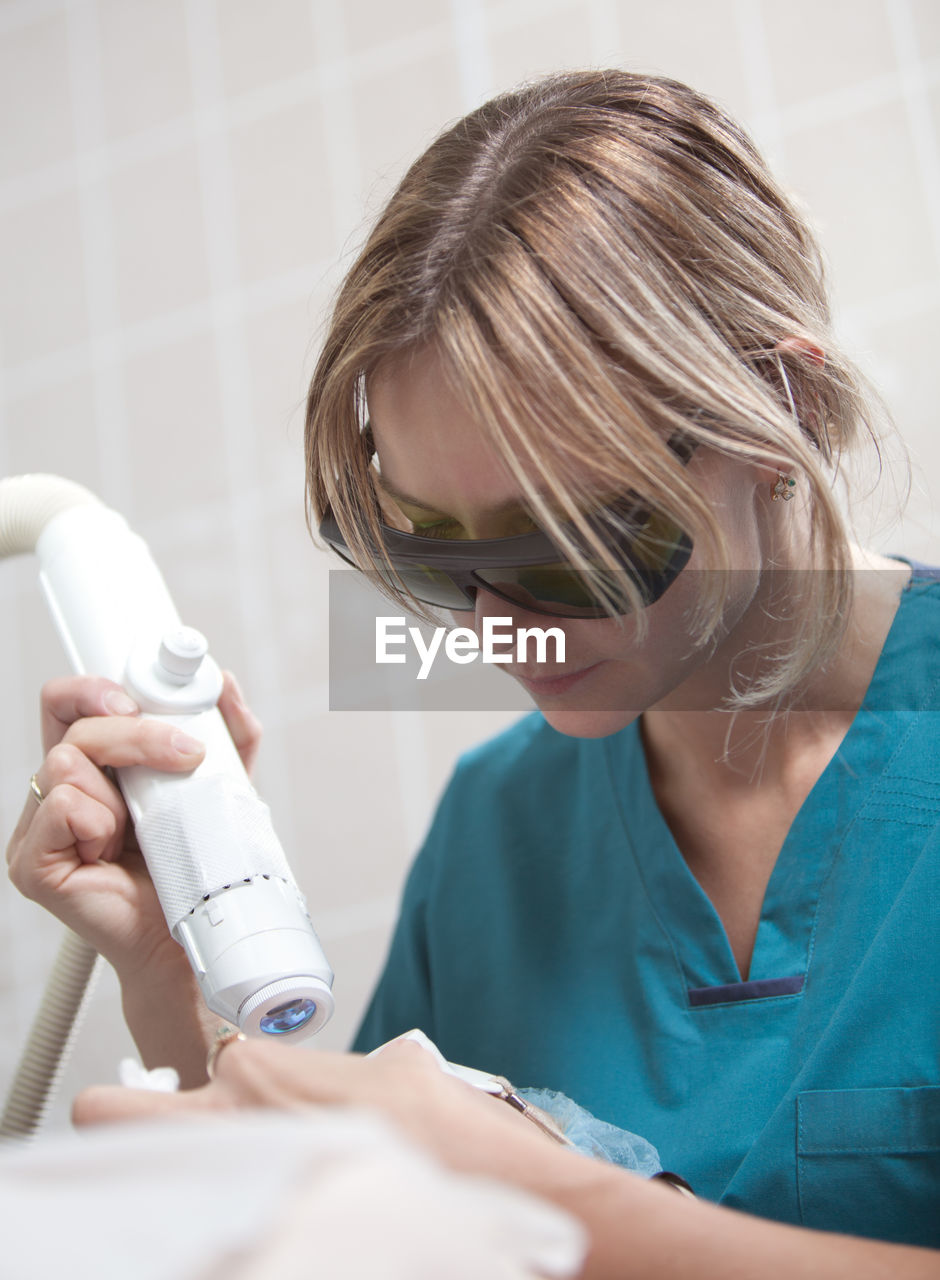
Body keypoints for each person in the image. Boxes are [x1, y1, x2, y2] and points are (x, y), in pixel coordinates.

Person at [6, 70, 938, 1278]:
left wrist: (546, 1188)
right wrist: (175, 972)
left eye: (565, 545)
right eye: (431, 555)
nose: (497, 628)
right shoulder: (496, 838)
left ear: (780, 403)